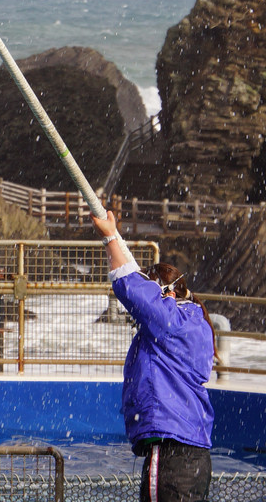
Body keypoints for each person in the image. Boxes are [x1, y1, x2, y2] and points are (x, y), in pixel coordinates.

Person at [91, 210, 214, 502]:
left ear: (167, 295)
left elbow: (132, 288)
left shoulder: (170, 321)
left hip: (171, 456)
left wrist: (110, 238)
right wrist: (115, 236)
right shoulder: (195, 323)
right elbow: (141, 287)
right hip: (195, 456)